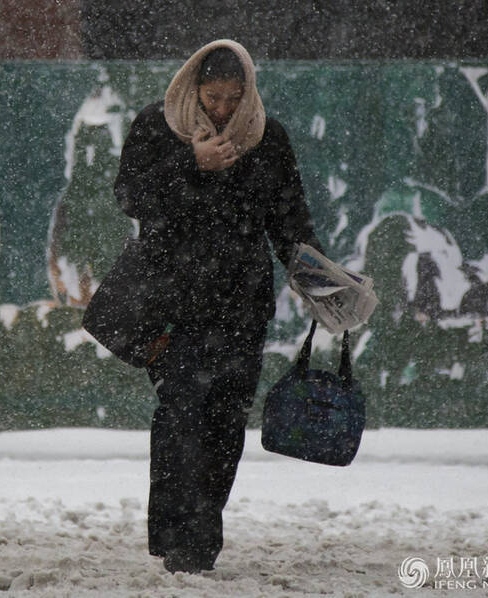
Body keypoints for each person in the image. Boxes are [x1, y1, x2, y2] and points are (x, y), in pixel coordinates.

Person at [112, 39, 323, 573]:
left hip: (242, 309)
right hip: (172, 306)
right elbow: (131, 196)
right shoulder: (158, 126)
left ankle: (200, 541)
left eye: (234, 96)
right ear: (193, 87)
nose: (223, 109)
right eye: (213, 95)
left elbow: (289, 221)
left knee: (226, 425)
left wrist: (321, 281)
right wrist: (191, 162)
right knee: (181, 416)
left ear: (248, 91)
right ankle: (175, 538)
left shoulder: (268, 139)